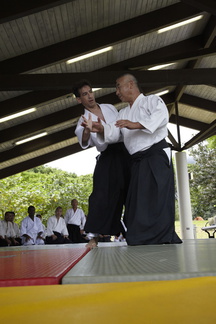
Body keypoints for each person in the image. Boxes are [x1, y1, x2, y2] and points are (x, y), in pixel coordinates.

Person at [83, 73, 182, 245]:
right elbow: (114, 134)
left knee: (156, 199)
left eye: (118, 86)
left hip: (155, 156)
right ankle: (140, 238)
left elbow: (161, 117)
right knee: (136, 203)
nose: (116, 92)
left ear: (130, 85)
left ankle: (161, 239)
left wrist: (135, 124)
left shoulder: (151, 100)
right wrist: (100, 129)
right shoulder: (123, 112)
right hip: (136, 162)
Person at [73, 80, 130, 247]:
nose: (90, 95)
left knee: (132, 192)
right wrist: (86, 129)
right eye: (84, 94)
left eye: (90, 91)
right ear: (79, 99)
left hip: (125, 151)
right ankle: (94, 237)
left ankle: (135, 231)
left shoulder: (109, 107)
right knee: (100, 194)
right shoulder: (84, 119)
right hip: (107, 154)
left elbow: (121, 125)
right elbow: (83, 141)